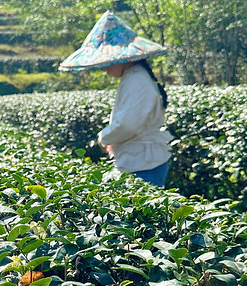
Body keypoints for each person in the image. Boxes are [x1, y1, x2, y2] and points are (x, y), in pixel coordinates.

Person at [58, 10, 173, 187]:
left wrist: (104, 137)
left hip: (144, 162)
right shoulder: (134, 76)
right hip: (141, 158)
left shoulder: (136, 79)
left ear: (121, 58)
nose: (104, 69)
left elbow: (128, 124)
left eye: (107, 63)